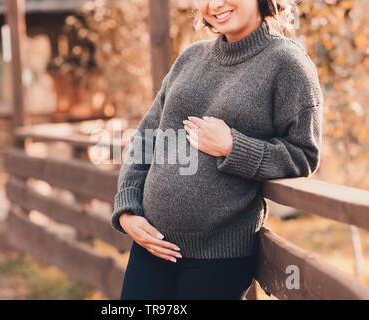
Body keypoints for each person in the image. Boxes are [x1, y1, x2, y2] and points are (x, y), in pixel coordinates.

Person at [111, 0, 323, 300]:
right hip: (152, 246)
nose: (214, 4)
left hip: (217, 259)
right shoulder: (190, 58)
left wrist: (234, 147)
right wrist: (128, 209)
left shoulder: (287, 63)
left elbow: (304, 154)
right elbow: (146, 138)